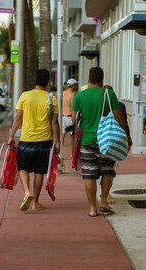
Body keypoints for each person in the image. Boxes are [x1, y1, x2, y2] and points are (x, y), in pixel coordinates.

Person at [72, 67, 132, 217]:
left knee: (89, 175)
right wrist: (126, 135)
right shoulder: (108, 94)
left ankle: (93, 208)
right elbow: (119, 117)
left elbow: (74, 119)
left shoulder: (80, 96)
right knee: (107, 171)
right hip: (106, 140)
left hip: (86, 140)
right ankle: (104, 201)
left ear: (89, 79)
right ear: (102, 79)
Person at [8, 69, 60, 212]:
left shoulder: (25, 96)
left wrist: (11, 136)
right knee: (39, 172)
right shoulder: (51, 98)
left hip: (26, 140)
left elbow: (18, 118)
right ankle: (35, 203)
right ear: (48, 82)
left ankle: (26, 192)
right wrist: (58, 141)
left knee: (23, 168)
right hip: (44, 142)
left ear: (35, 80)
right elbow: (55, 122)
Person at [61, 78, 78, 158]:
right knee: (72, 137)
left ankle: (59, 153)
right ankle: (72, 154)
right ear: (73, 85)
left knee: (62, 137)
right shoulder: (73, 94)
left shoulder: (62, 93)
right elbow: (73, 107)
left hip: (62, 117)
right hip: (70, 117)